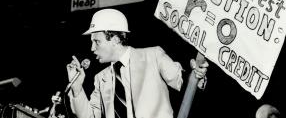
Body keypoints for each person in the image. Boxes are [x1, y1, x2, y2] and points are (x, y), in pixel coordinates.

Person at [66, 9, 208, 118]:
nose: (92, 48)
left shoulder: (153, 56)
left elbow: (184, 83)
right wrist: (77, 89)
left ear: (115, 39)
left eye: (97, 41)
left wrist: (197, 77)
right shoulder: (101, 79)